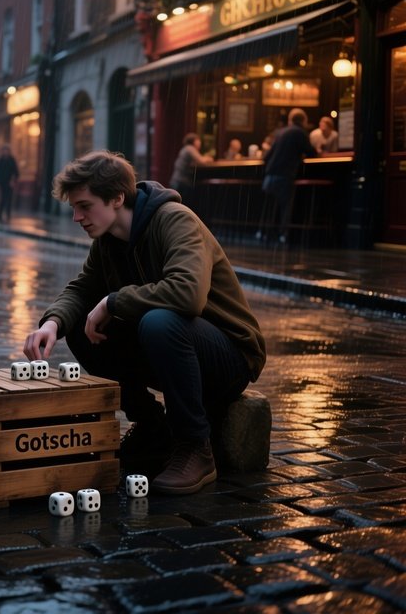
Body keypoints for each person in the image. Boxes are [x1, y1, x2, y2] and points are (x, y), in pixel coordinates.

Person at [23, 151, 266, 495]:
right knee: (80, 325)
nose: (77, 217)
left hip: (229, 356)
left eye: (85, 206)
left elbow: (188, 295)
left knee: (159, 321)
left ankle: (195, 446)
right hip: (174, 349)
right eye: (74, 207)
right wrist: (52, 324)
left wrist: (113, 301)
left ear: (117, 197)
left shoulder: (175, 220)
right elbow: (81, 288)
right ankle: (152, 427)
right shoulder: (107, 240)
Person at [257, 107, 317, 244]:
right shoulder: (300, 133)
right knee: (285, 207)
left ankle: (262, 232)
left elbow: (267, 157)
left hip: (269, 176)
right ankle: (284, 235)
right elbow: (311, 152)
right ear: (304, 121)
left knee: (269, 207)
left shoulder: (280, 133)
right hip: (284, 175)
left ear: (290, 120)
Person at [168, 132, 213, 206]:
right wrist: (209, 158)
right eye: (198, 140)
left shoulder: (185, 149)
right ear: (194, 141)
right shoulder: (190, 148)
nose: (200, 142)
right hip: (182, 182)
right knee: (184, 205)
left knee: (179, 205)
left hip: (177, 181)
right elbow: (201, 161)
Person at [0, 143, 19, 222]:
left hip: (10, 183)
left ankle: (8, 215)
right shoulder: (0, 160)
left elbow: (16, 172)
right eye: (4, 150)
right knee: (3, 199)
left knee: (9, 199)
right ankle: (0, 214)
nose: (5, 152)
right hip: (2, 183)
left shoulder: (12, 160)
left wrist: (13, 181)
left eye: (7, 150)